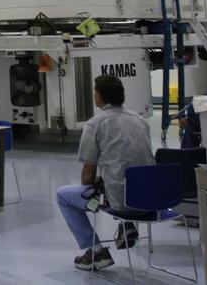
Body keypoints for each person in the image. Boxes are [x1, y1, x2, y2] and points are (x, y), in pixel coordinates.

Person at [55, 74, 155, 271]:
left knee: (64, 196)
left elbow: (88, 171)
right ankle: (127, 226)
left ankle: (96, 251)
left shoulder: (95, 124)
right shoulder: (139, 120)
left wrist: (89, 193)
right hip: (153, 196)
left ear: (99, 97)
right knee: (119, 176)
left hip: (121, 199)